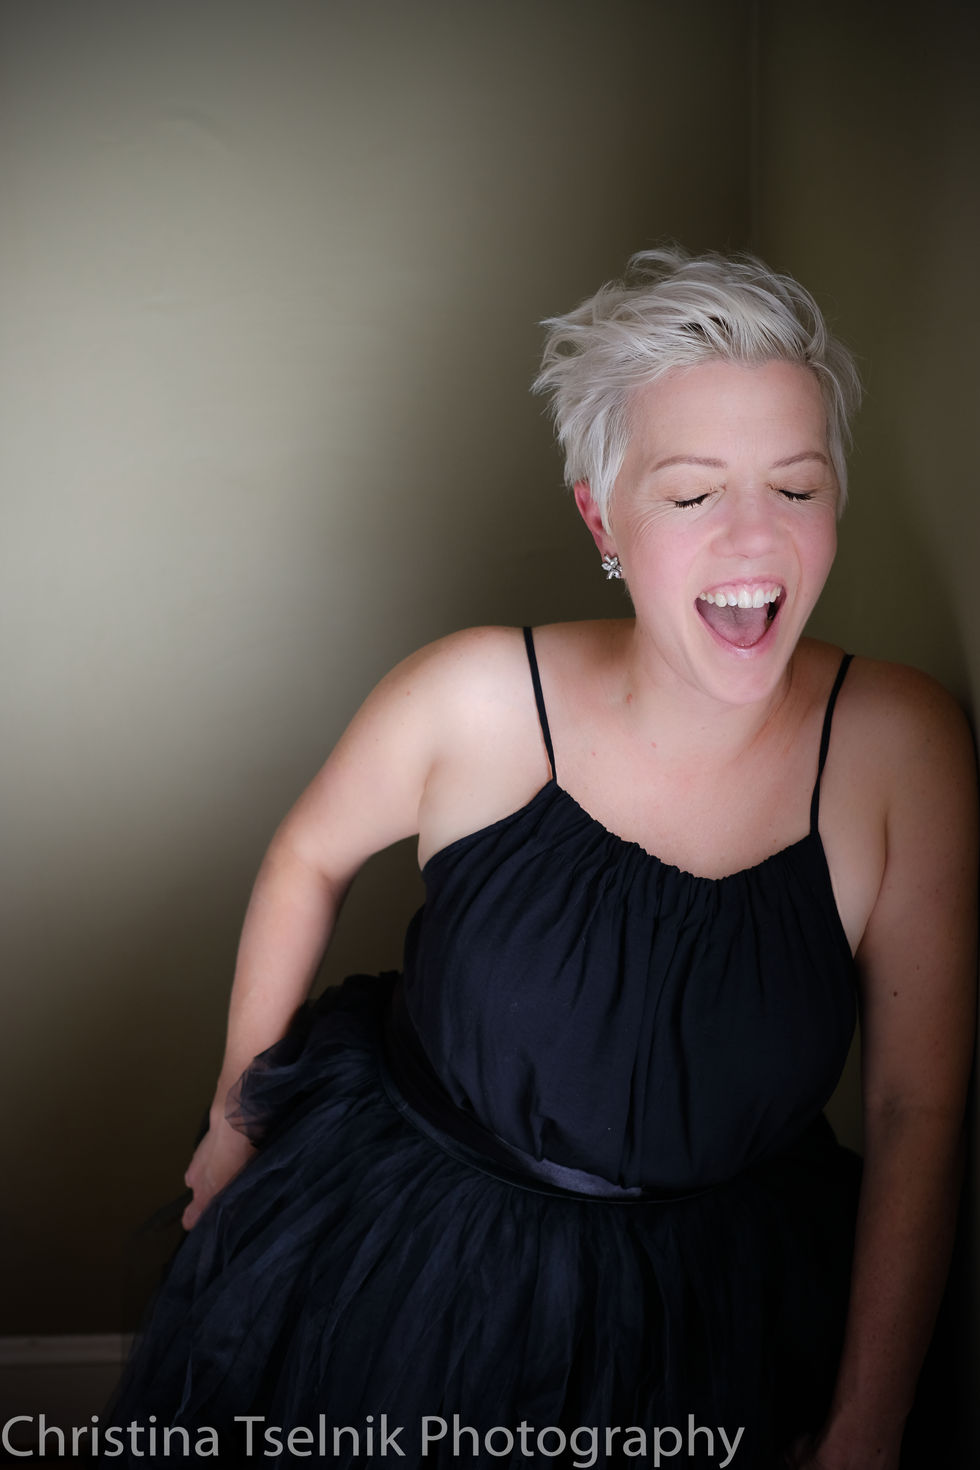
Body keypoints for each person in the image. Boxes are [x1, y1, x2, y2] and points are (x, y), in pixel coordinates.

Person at [102, 248, 977, 1469]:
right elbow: (307, 854)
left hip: (723, 1313)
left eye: (795, 486)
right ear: (599, 517)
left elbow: (913, 1105)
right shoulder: (471, 697)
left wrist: (866, 1422)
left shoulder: (902, 749)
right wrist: (233, 1110)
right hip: (418, 1272)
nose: (753, 537)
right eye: (690, 495)